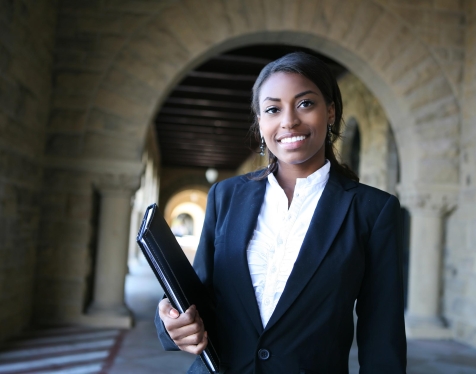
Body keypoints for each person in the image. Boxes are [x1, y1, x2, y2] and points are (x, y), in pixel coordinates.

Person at [155, 52, 407, 373]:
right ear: (260, 123)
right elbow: (197, 292)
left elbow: (382, 337)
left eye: (305, 104)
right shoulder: (226, 195)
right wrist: (170, 319)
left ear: (330, 112)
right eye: (273, 109)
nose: (289, 121)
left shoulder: (372, 211)